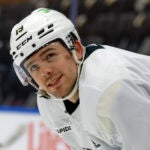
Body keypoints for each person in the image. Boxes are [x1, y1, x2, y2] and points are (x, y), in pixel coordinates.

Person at [9, 8, 150, 150]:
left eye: (50, 56)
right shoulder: (49, 104)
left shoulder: (113, 87)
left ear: (76, 48)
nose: (45, 72)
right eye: (33, 67)